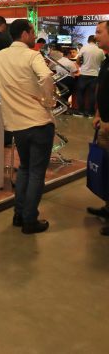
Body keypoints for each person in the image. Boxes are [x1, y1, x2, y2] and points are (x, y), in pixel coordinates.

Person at [0, 19, 55, 234]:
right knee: (36, 172)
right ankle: (30, 220)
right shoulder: (32, 56)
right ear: (24, 34)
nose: (34, 36)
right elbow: (46, 76)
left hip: (17, 126)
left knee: (24, 168)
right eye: (32, 32)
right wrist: (48, 101)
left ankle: (19, 214)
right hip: (40, 122)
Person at [87, 21, 109, 233]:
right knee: (106, 169)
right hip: (104, 125)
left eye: (99, 32)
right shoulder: (105, 60)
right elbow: (103, 90)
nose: (96, 36)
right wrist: (98, 114)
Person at [76, 35, 104, 116]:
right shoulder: (100, 50)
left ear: (88, 40)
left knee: (80, 93)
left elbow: (78, 60)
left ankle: (81, 111)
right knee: (92, 94)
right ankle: (91, 112)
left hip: (84, 74)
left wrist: (81, 65)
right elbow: (103, 62)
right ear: (96, 41)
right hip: (95, 74)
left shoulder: (84, 48)